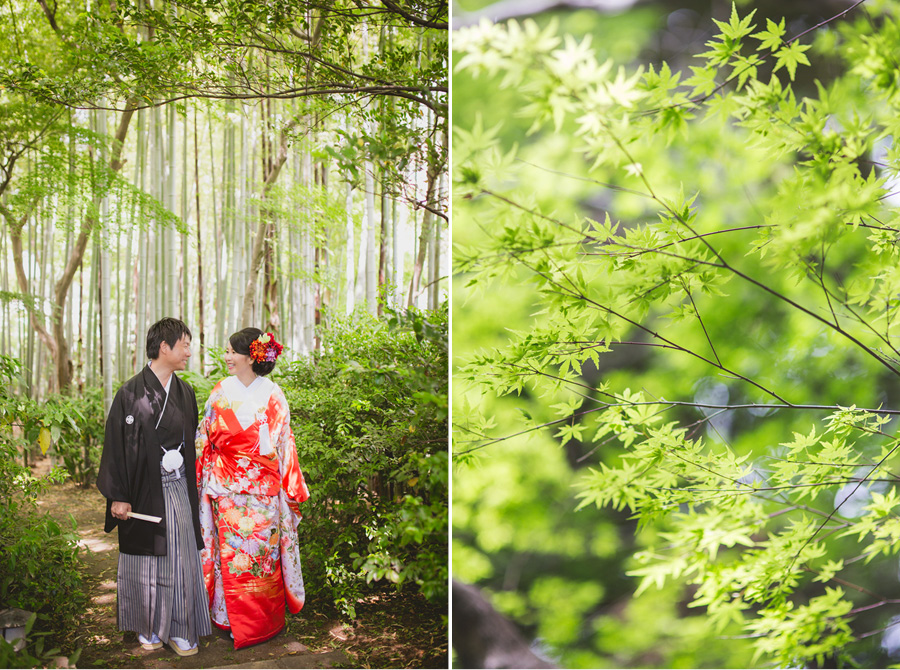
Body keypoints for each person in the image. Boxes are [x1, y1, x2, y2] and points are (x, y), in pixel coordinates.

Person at [96, 317, 212, 657]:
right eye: (185, 344)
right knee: (144, 561)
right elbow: (115, 446)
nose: (189, 351)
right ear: (165, 347)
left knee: (181, 557)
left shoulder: (185, 391)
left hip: (177, 488)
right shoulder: (129, 393)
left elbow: (192, 442)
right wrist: (118, 495)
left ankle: (181, 627)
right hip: (142, 490)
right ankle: (147, 627)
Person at [195, 327, 310, 649]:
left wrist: (291, 487)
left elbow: (285, 442)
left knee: (261, 555)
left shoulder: (273, 393)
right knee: (230, 557)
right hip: (227, 489)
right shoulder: (220, 391)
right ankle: (229, 618)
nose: (227, 357)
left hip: (262, 491)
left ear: (251, 356)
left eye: (232, 352)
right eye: (227, 352)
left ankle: (263, 622)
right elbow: (204, 438)